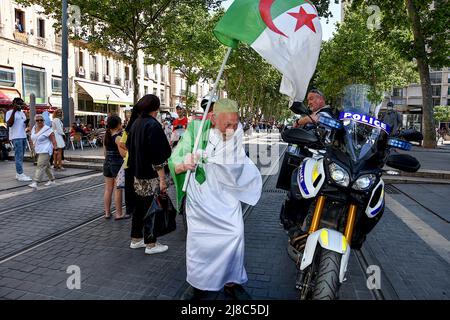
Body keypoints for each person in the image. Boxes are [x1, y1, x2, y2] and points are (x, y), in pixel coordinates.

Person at [169, 98, 262, 300]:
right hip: (201, 199)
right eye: (227, 124)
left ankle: (231, 280)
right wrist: (185, 163)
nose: (231, 129)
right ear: (212, 118)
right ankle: (200, 283)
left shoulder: (236, 132)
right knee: (200, 243)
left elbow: (236, 164)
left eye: (235, 124)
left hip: (226, 196)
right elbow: (174, 160)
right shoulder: (196, 129)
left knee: (235, 234)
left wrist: (210, 160)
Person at [126, 94, 171, 255]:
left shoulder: (135, 123)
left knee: (139, 206)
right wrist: (162, 179)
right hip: (150, 175)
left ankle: (136, 238)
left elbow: (128, 146)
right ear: (156, 108)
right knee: (152, 207)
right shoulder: (153, 125)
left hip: (137, 173)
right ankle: (151, 243)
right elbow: (157, 155)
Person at [117, 106, 141, 227]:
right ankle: (136, 209)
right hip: (137, 162)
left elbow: (121, 143)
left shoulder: (128, 128)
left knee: (129, 188)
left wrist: (129, 150)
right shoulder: (140, 126)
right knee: (137, 187)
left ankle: (129, 210)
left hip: (128, 162)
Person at [103, 115, 128, 220]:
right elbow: (124, 153)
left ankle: (107, 213)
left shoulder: (106, 136)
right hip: (116, 164)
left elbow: (104, 153)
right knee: (118, 189)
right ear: (118, 124)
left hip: (107, 163)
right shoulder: (118, 138)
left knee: (108, 189)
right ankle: (119, 214)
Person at [6, 98, 32, 181]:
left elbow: (23, 126)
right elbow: (9, 124)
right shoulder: (9, 112)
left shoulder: (22, 113)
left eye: (21, 104)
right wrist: (14, 111)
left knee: (21, 156)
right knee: (18, 156)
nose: (20, 106)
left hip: (23, 136)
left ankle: (18, 174)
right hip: (16, 137)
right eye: (19, 104)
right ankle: (20, 174)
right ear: (14, 104)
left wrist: (27, 121)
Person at [28, 114, 57, 189]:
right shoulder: (34, 128)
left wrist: (55, 149)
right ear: (35, 121)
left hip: (46, 150)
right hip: (38, 150)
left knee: (40, 165)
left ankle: (35, 182)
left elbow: (53, 140)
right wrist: (32, 147)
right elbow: (31, 138)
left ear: (44, 121)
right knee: (46, 166)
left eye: (41, 120)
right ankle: (52, 180)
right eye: (37, 120)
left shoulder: (47, 129)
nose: (39, 121)